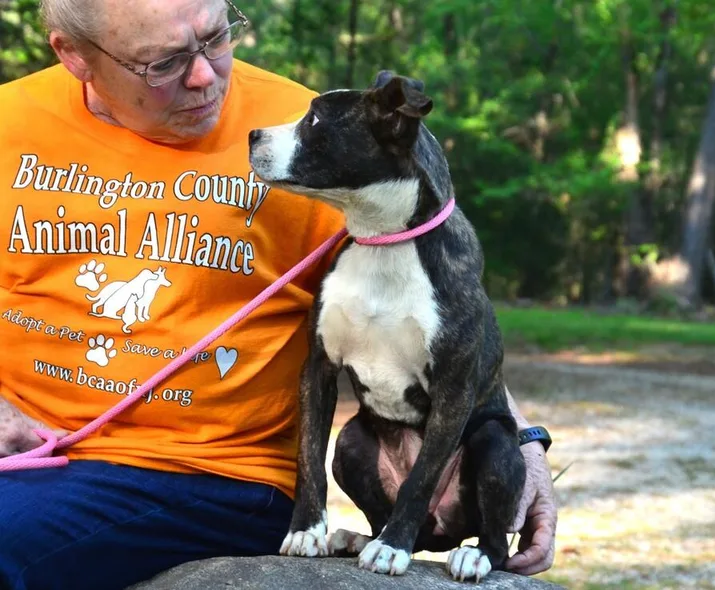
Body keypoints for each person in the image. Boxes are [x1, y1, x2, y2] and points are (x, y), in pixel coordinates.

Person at [0, 0, 557, 588]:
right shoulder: (11, 120)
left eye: (216, 37)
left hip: (207, 470)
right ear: (74, 56)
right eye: (161, 63)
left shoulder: (308, 138)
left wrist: (519, 441)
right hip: (33, 458)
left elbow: (441, 307)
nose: (203, 75)